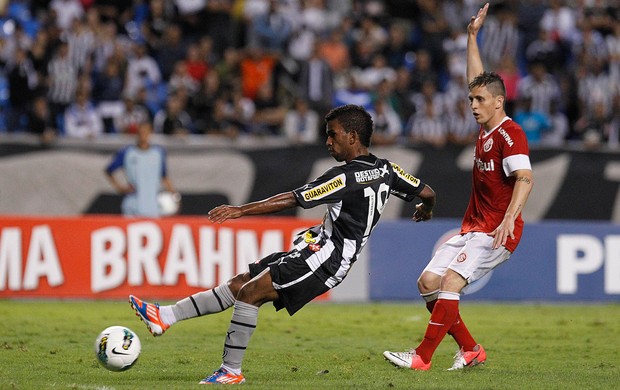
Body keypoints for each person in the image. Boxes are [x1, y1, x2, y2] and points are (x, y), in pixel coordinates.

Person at [128, 104, 436, 384]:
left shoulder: (344, 177)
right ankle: (165, 316)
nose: (328, 142)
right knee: (241, 283)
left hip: (326, 258)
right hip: (315, 248)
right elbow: (427, 192)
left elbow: (293, 198)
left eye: (333, 135)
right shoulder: (387, 168)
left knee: (250, 294)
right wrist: (426, 209)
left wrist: (241, 210)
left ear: (353, 136)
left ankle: (231, 371)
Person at [384, 3, 533, 371]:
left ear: (500, 102)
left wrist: (510, 218)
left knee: (450, 281)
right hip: (473, 228)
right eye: (470, 99)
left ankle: (421, 357)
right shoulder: (486, 129)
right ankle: (470, 349)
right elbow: (478, 80)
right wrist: (471, 36)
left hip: (497, 230)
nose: (472, 104)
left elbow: (525, 179)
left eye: (479, 100)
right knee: (428, 282)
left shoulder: (510, 135)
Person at [104, 121, 178, 217]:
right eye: (141, 132)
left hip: (153, 205)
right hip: (133, 205)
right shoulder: (127, 152)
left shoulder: (158, 153)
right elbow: (109, 170)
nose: (143, 135)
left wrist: (174, 196)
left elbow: (164, 176)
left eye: (146, 132)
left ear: (151, 133)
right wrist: (120, 188)